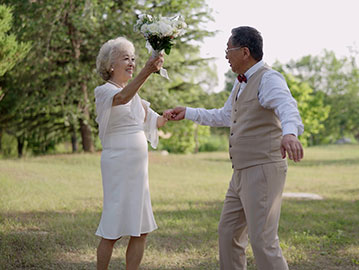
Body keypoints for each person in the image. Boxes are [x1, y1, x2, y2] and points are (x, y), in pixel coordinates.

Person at [164, 26, 304, 270]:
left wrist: (290, 133)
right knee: (228, 234)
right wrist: (188, 112)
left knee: (263, 241)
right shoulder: (241, 83)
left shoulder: (268, 78)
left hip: (262, 168)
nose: (226, 55)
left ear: (245, 52)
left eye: (229, 50)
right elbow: (225, 115)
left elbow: (287, 106)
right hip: (240, 172)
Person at [94, 37, 167, 270]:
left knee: (141, 229)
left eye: (134, 59)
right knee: (113, 229)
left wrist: (172, 115)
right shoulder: (104, 91)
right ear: (110, 65)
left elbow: (155, 121)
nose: (132, 62)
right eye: (126, 58)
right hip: (118, 165)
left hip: (138, 171)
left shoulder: (135, 95)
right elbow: (122, 99)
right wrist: (147, 70)